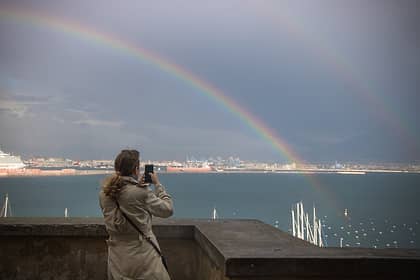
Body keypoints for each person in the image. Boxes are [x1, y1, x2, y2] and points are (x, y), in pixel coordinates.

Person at [99, 149, 173, 280]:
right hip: (143, 256)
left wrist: (136, 186)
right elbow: (167, 210)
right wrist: (157, 185)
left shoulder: (104, 194)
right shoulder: (141, 192)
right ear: (136, 170)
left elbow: (124, 198)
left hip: (117, 257)